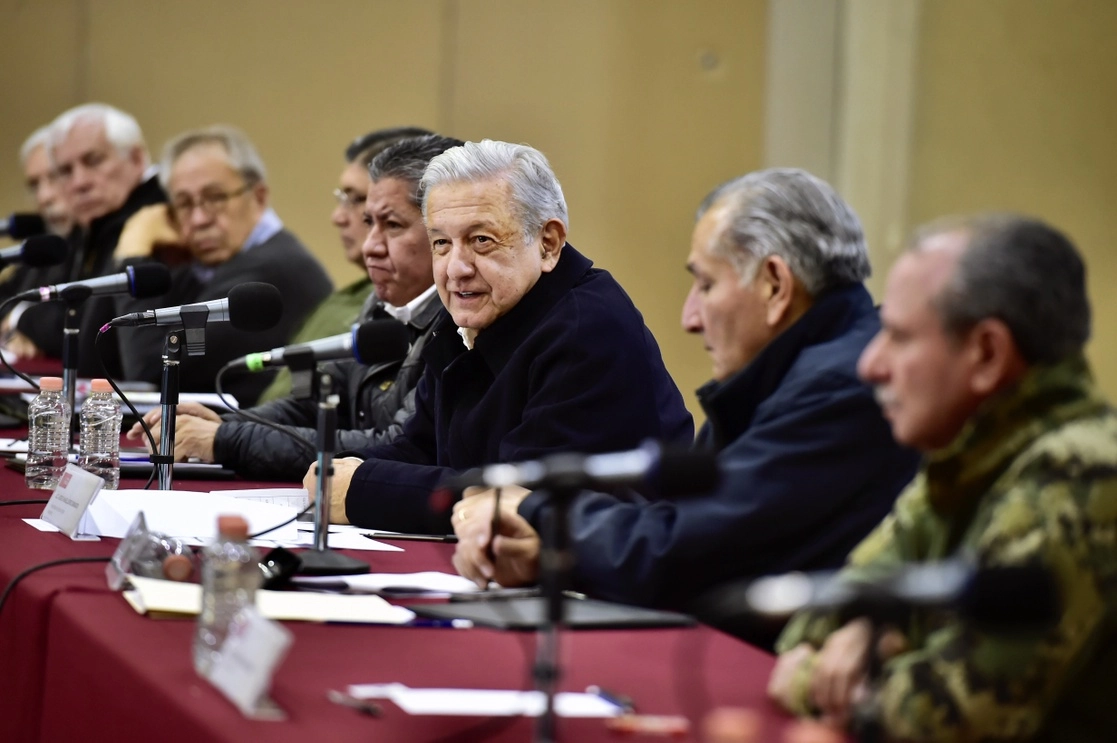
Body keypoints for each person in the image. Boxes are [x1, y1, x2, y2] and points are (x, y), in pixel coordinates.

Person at [450, 168, 919, 644]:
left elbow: (680, 554)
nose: (690, 318)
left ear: (775, 286)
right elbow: (678, 529)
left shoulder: (844, 389)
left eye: (707, 286)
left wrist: (539, 512)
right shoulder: (774, 377)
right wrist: (552, 555)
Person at [768, 215, 1117, 741]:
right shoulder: (969, 453)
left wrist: (829, 675)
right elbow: (814, 622)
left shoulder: (1082, 473)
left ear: (987, 354)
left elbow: (953, 718)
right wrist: (868, 630)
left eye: (899, 337)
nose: (869, 365)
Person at [304, 139, 694, 532]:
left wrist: (362, 489)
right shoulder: (471, 313)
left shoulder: (588, 329)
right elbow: (421, 446)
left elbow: (519, 499)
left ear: (548, 243)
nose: (456, 269)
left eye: (481, 241)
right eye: (441, 243)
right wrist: (344, 467)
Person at [129, 134, 463, 481]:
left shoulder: (458, 322)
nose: (371, 247)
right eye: (369, 223)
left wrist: (226, 439)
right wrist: (226, 423)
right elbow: (312, 403)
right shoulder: (383, 300)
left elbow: (395, 445)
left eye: (392, 225)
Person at [113, 125, 332, 406]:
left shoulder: (269, 271)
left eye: (215, 198)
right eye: (184, 204)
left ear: (259, 197)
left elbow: (151, 370)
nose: (199, 219)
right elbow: (96, 351)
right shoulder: (208, 265)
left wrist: (133, 255)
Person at [255, 125, 433, 404]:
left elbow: (396, 442)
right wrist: (229, 430)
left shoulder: (443, 319)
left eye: (356, 199)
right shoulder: (366, 303)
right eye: (369, 217)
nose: (338, 217)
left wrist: (230, 434)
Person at [13, 104, 166, 372]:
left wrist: (26, 320)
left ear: (137, 158)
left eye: (93, 161)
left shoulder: (157, 218)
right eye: (65, 172)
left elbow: (92, 339)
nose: (79, 182)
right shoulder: (97, 224)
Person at [0, 125, 74, 359]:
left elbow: (71, 318)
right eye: (35, 185)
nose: (44, 197)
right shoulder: (43, 242)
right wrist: (15, 322)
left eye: (54, 177)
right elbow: (8, 296)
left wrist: (18, 318)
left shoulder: (93, 242)